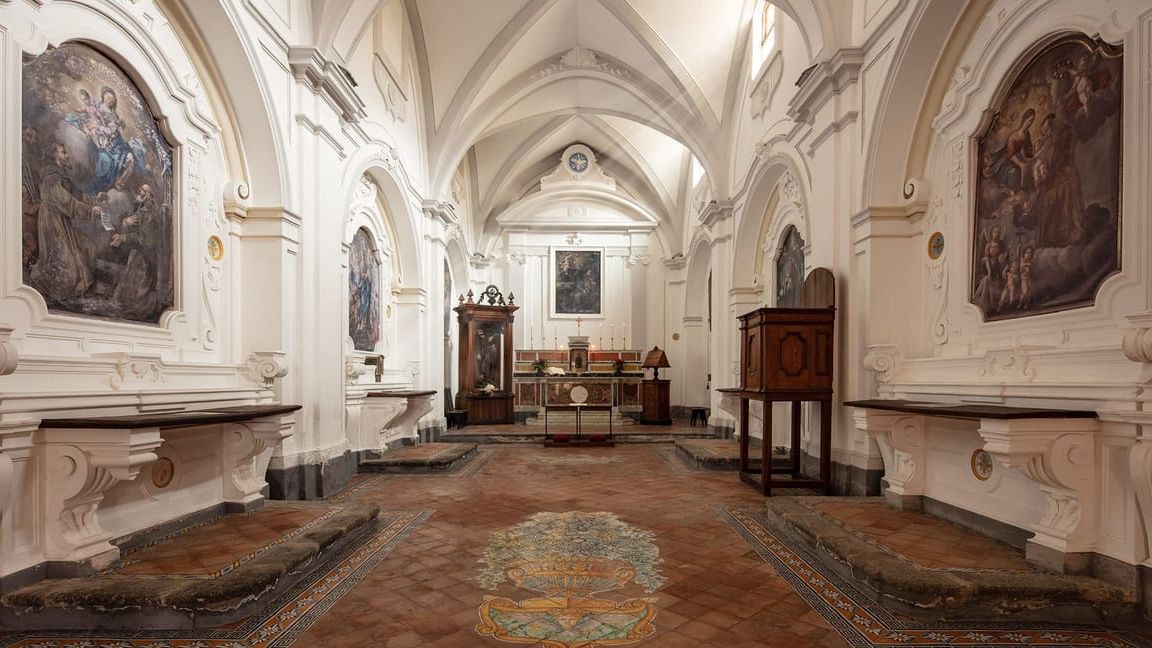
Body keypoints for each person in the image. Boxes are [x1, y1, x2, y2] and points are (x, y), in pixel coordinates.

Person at [29, 142, 103, 301]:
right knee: (65, 263)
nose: (67, 155)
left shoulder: (61, 174)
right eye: (63, 152)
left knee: (85, 251)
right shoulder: (50, 176)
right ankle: (45, 285)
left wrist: (95, 200)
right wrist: (89, 211)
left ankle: (72, 288)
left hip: (61, 218)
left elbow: (76, 194)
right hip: (52, 220)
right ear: (55, 155)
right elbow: (65, 200)